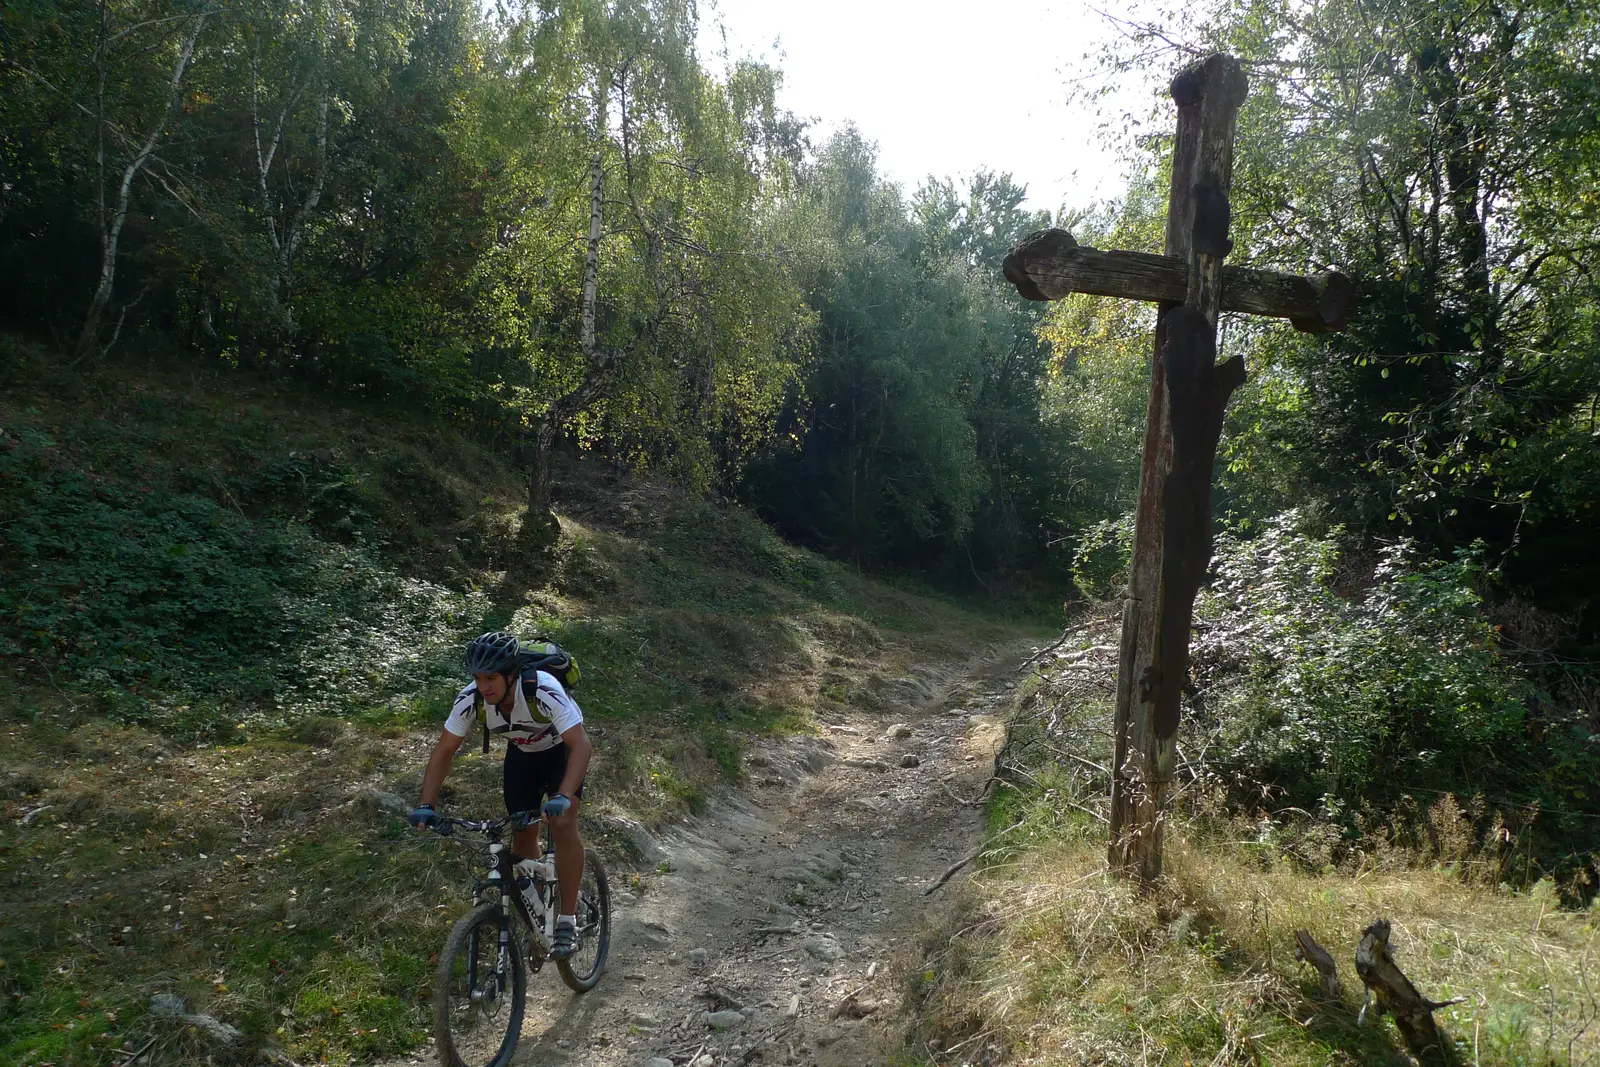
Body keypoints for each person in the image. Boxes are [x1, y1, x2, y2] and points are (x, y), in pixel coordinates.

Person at [408, 631, 592, 959]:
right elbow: (445, 749)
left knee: (562, 825)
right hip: (521, 757)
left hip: (559, 753)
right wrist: (426, 804)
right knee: (522, 836)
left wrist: (563, 795)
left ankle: (567, 918)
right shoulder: (472, 699)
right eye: (478, 679)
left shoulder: (543, 689)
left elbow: (581, 745)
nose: (484, 687)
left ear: (511, 674)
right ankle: (539, 911)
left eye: (491, 678)